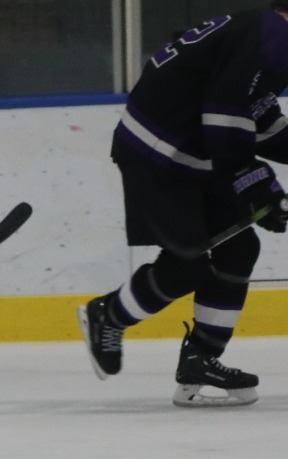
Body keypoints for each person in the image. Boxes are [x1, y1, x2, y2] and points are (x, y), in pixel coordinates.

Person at [79, 6, 288, 407]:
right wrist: (254, 181)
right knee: (188, 262)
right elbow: (225, 113)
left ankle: (200, 360)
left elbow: (253, 113)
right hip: (157, 155)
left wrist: (255, 179)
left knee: (239, 247)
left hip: (190, 154)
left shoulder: (263, 31)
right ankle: (109, 314)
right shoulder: (274, 34)